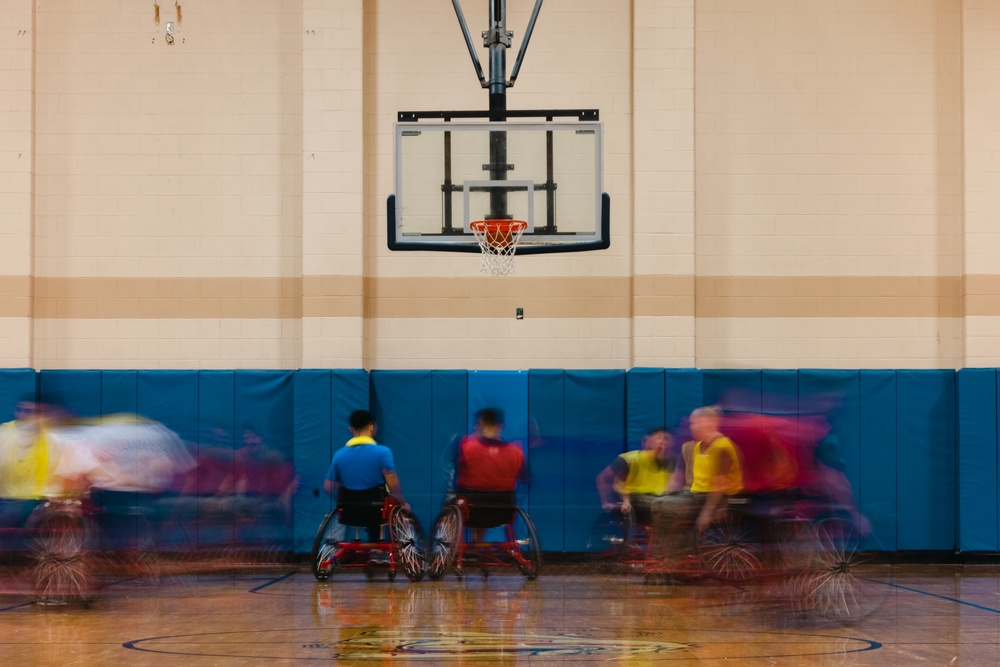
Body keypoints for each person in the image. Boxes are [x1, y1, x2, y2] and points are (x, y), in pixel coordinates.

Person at [649, 405, 743, 564]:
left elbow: (718, 487)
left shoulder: (722, 448)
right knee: (658, 503)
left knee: (665, 507)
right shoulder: (698, 446)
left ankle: (673, 557)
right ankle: (664, 553)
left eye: (694, 423)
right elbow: (685, 478)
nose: (691, 427)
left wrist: (706, 514)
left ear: (709, 423)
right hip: (697, 495)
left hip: (718, 499)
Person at [323, 410, 409, 563]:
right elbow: (393, 483)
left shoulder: (339, 455)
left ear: (351, 429)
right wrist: (403, 503)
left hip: (348, 512)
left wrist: (342, 501)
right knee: (392, 505)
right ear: (372, 427)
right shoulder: (383, 452)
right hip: (376, 512)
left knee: (369, 505)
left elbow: (328, 487)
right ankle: (382, 550)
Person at [453, 408, 527, 536]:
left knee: (457, 500)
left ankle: (451, 545)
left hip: (472, 512)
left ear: (480, 423)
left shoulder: (468, 448)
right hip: (504, 513)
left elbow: (458, 478)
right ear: (501, 425)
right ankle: (478, 544)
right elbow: (523, 478)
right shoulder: (517, 452)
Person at [595, 427, 674, 526]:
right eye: (659, 438)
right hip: (636, 498)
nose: (662, 442)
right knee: (663, 506)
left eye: (666, 439)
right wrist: (606, 503)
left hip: (661, 500)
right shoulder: (629, 460)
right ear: (646, 442)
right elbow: (602, 478)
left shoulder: (673, 462)